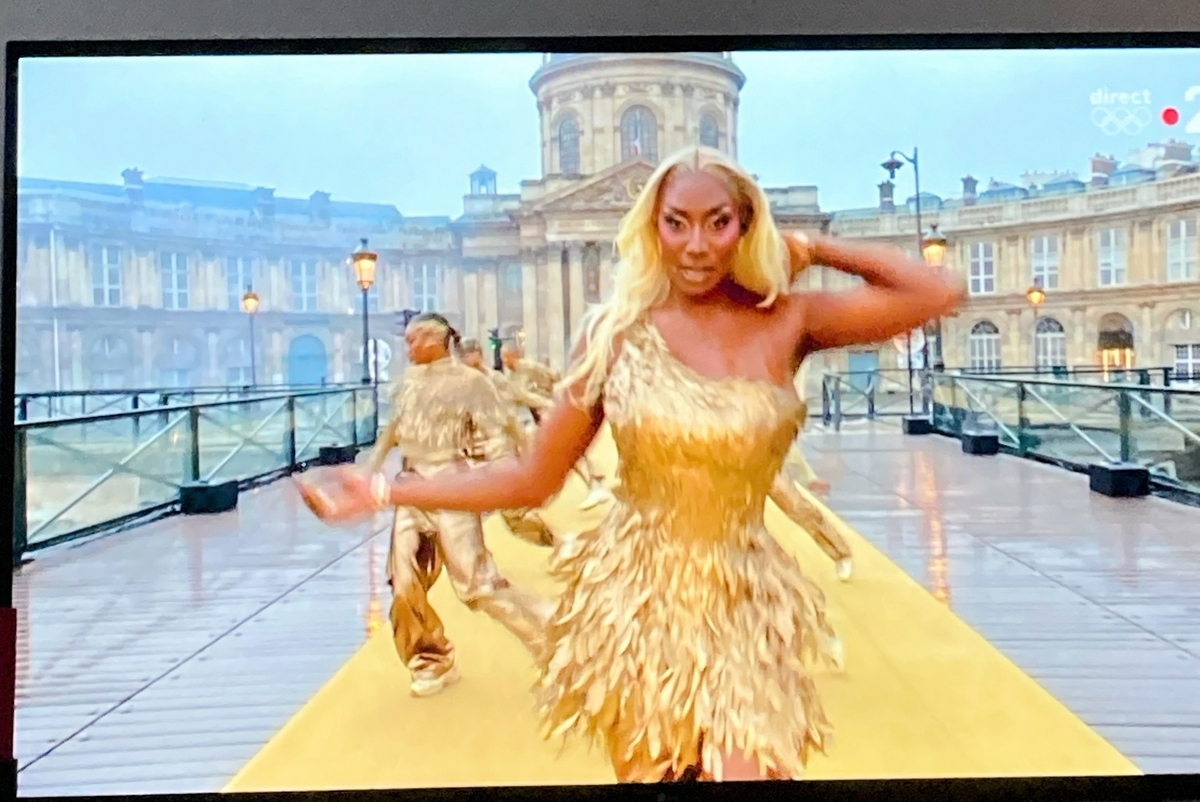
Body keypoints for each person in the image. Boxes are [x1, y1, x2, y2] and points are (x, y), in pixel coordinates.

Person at [300, 146, 963, 781]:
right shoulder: (615, 334)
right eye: (677, 223)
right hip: (639, 602)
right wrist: (385, 490)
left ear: (746, 226)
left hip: (743, 599)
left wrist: (811, 246)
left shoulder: (788, 320)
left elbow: (935, 291)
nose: (696, 245)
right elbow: (533, 478)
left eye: (718, 222)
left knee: (749, 769)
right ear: (653, 227)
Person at [363, 313, 554, 698]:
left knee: (478, 586)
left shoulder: (472, 383)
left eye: (414, 340)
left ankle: (550, 643)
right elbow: (394, 431)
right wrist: (367, 471)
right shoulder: (409, 382)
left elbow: (496, 436)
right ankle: (430, 659)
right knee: (404, 582)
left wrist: (510, 486)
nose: (408, 347)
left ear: (435, 340)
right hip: (411, 487)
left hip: (453, 487)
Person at [457, 337, 557, 547]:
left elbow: (516, 407)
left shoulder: (496, 381)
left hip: (498, 453)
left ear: (479, 355)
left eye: (471, 358)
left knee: (515, 515)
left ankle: (558, 543)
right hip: (475, 458)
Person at [500, 342, 612, 511]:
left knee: (568, 449)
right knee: (566, 452)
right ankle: (594, 482)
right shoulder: (513, 378)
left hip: (549, 411)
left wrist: (553, 402)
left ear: (513, 355)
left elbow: (554, 378)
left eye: (505, 357)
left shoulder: (530, 368)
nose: (504, 361)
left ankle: (595, 483)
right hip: (541, 416)